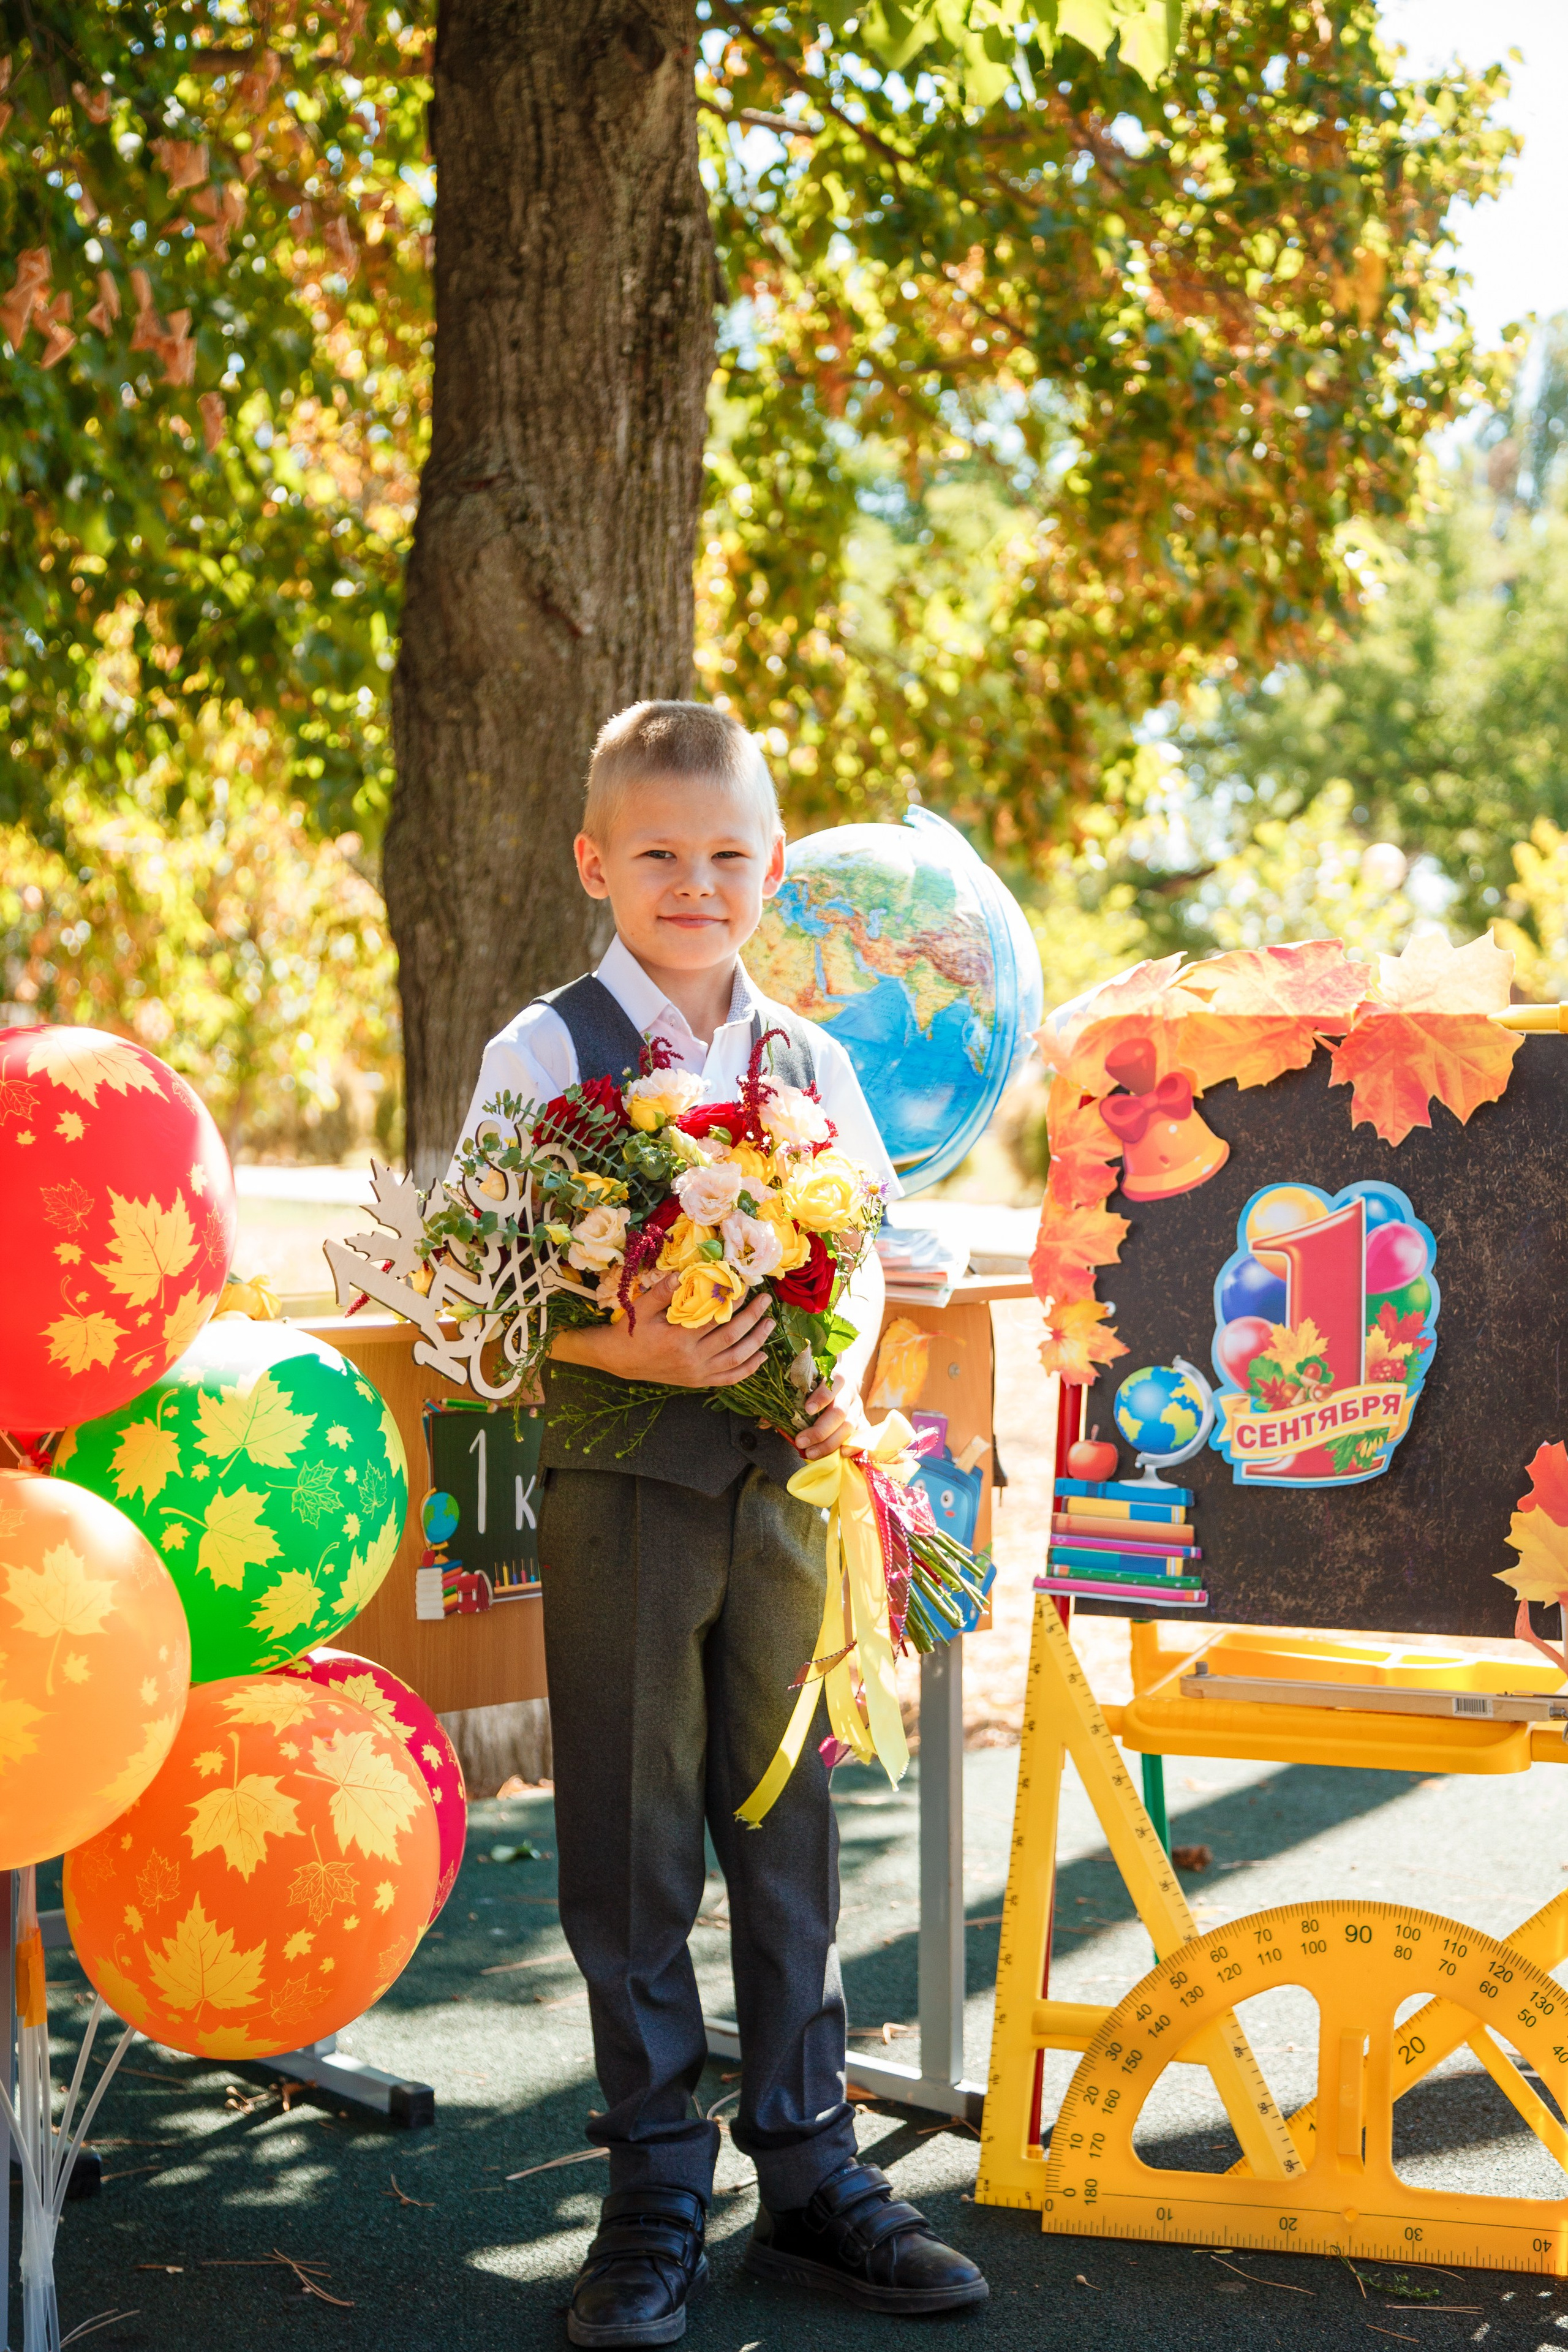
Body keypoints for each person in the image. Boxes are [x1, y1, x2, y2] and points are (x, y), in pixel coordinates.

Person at [453, 703, 988, 2345]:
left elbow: (860, 1272)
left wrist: (847, 1366)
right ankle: (657, 2179)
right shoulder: (545, 1057)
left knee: (790, 1823)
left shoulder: (815, 1065)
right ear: (594, 862)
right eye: (663, 855)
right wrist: (635, 1344)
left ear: (774, 866)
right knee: (631, 1832)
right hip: (623, 1492)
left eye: (730, 855)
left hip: (784, 1509)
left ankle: (815, 2166)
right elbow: (464, 1306)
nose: (698, 884)